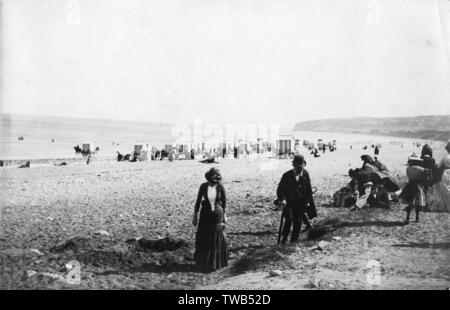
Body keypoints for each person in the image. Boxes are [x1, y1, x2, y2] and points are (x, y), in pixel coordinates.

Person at [192, 167, 228, 272]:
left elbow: (224, 202)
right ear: (209, 176)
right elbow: (198, 201)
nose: (214, 178)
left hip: (218, 214)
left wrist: (225, 215)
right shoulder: (203, 186)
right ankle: (203, 262)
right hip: (205, 215)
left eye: (216, 176)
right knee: (204, 237)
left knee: (216, 238)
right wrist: (195, 215)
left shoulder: (220, 187)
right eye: (213, 176)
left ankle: (215, 263)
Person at [276, 155, 314, 244]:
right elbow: (280, 190)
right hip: (288, 203)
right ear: (294, 166)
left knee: (298, 222)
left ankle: (294, 241)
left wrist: (308, 201)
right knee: (288, 220)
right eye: (298, 167)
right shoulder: (286, 175)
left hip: (300, 203)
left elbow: (309, 190)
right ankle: (284, 238)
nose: (300, 169)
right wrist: (283, 199)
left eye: (302, 167)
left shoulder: (305, 174)